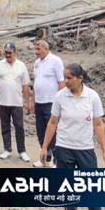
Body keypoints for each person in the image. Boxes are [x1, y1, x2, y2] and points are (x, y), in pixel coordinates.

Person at [40, 63, 105, 210]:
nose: (65, 81)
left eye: (69, 78)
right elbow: (52, 122)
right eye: (64, 77)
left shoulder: (92, 97)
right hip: (64, 148)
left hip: (85, 148)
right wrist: (44, 147)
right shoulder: (60, 96)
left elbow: (98, 125)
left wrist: (104, 151)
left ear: (80, 79)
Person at [0, 42, 32, 162]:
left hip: (17, 102)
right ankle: (7, 149)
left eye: (10, 53)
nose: (7, 55)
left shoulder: (21, 66)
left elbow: (25, 85)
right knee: (5, 126)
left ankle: (22, 151)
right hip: (3, 102)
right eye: (6, 52)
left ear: (15, 52)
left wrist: (27, 102)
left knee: (19, 127)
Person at [32, 39, 65, 167]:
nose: (36, 52)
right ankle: (44, 158)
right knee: (41, 131)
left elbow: (61, 82)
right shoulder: (37, 63)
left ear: (46, 49)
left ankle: (56, 160)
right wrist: (33, 101)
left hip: (51, 102)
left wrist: (60, 102)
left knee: (52, 131)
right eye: (35, 49)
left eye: (38, 49)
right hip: (39, 102)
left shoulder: (55, 61)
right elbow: (36, 83)